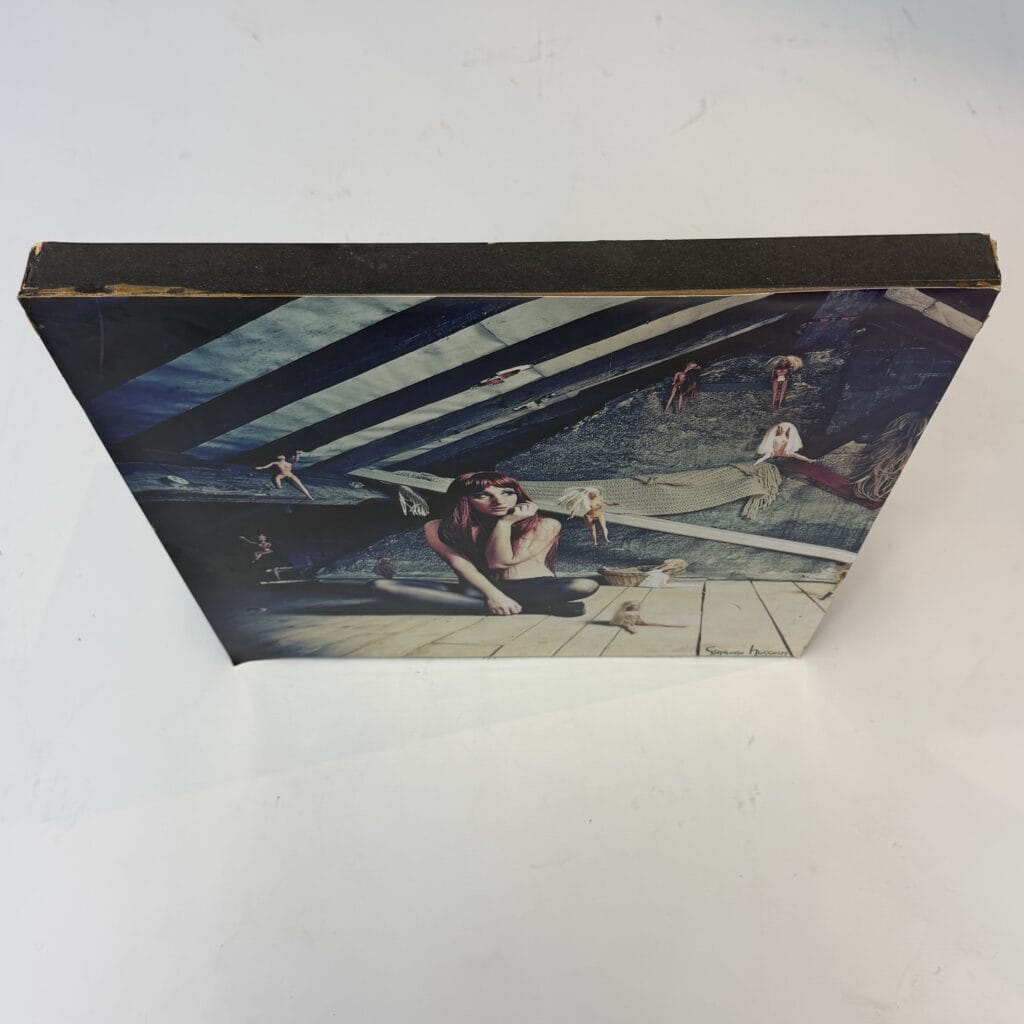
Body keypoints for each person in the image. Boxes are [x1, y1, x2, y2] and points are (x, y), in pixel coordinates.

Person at [368, 472, 599, 616]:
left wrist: (505, 522)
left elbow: (499, 562)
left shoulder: (546, 524)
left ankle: (514, 604)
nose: (499, 500)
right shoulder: (437, 527)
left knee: (584, 585)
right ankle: (533, 608)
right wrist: (493, 595)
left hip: (535, 587)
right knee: (380, 587)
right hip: (477, 589)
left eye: (507, 493)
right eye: (482, 495)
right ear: (464, 500)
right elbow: (462, 566)